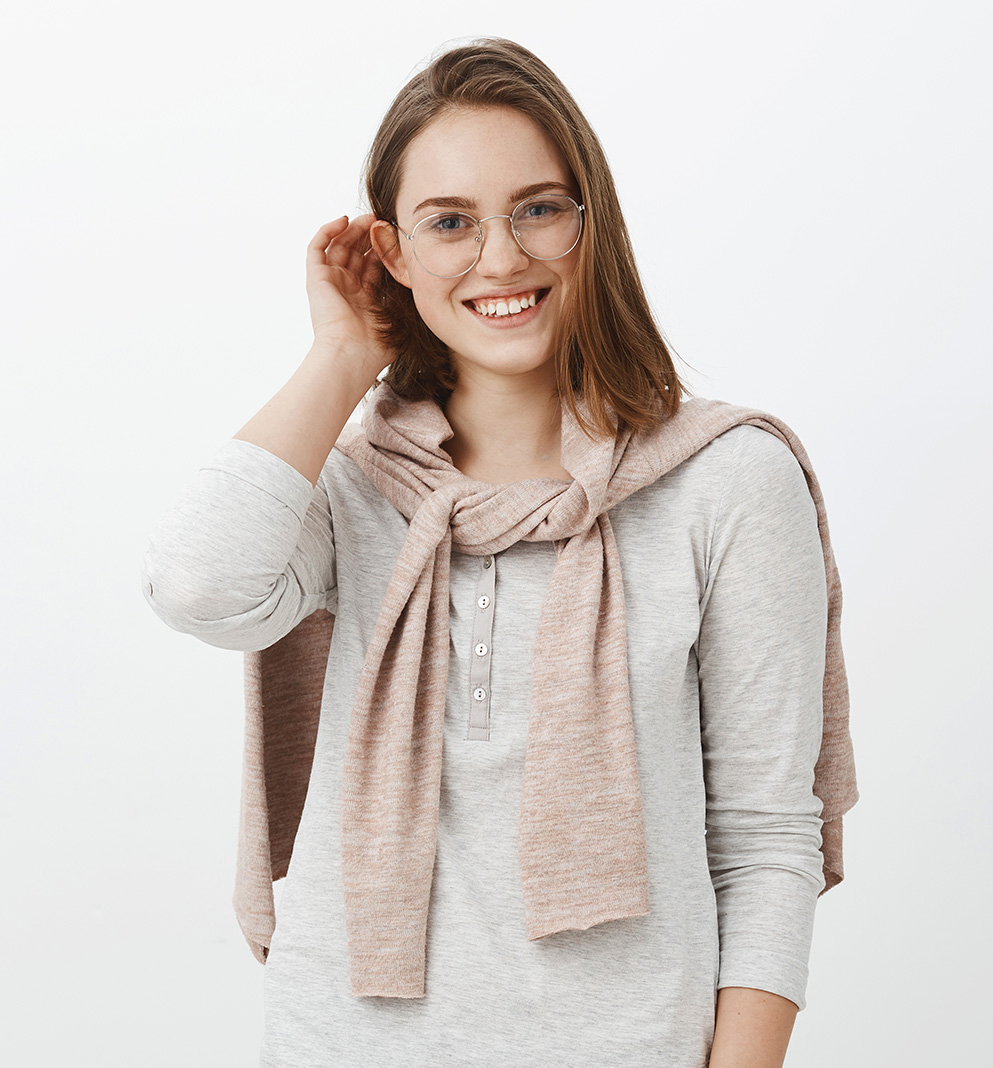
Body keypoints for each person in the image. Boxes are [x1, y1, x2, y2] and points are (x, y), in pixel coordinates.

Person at [141, 37, 856, 1068]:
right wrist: (342, 355)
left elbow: (764, 839)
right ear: (392, 254)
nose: (502, 259)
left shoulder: (727, 478)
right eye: (450, 222)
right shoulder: (345, 487)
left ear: (589, 222)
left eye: (538, 209)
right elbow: (198, 588)